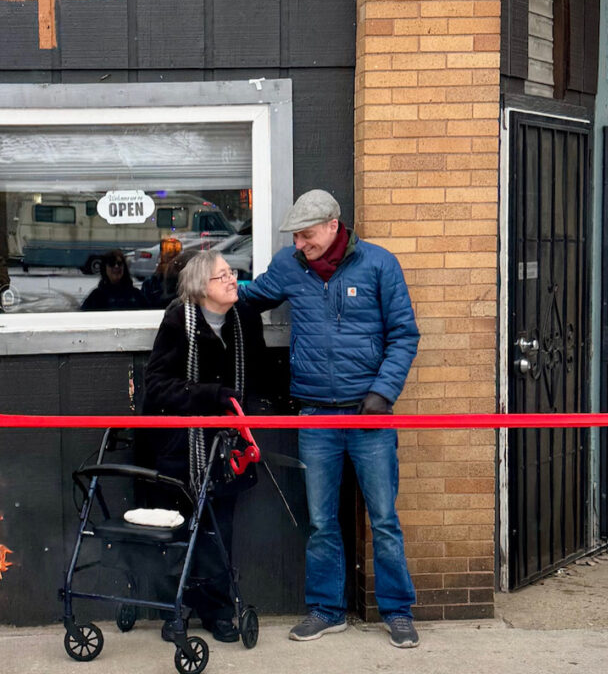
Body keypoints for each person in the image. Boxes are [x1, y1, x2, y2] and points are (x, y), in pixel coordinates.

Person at [239, 189, 420, 648]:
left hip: (370, 416)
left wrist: (383, 392)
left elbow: (404, 334)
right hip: (315, 414)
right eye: (296, 237)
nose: (301, 244)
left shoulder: (380, 264)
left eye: (307, 234)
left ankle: (398, 612)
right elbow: (251, 297)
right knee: (321, 521)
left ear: (333, 224)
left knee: (383, 518)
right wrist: (207, 285)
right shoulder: (289, 265)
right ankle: (325, 609)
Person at [142, 248, 270, 644]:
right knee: (181, 528)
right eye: (223, 275)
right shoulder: (178, 319)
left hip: (227, 445)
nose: (233, 278)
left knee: (219, 528)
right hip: (183, 445)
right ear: (201, 287)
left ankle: (217, 611)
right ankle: (177, 608)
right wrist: (211, 395)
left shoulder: (245, 318)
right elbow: (157, 384)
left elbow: (261, 373)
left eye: (232, 272)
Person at [80, 249, 146, 311]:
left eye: (119, 263)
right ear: (104, 268)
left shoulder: (136, 295)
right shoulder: (96, 296)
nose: (116, 266)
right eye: (111, 263)